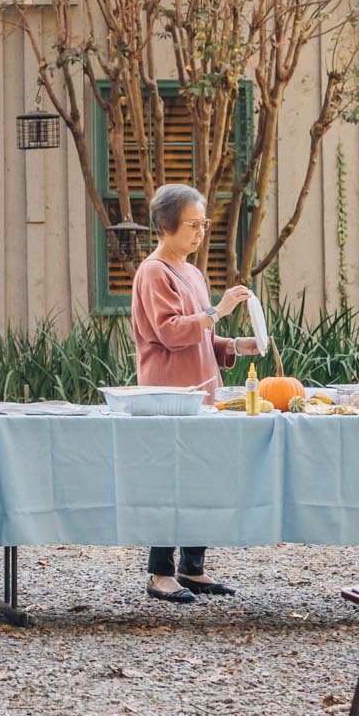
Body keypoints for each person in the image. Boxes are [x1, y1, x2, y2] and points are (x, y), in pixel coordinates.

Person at [131, 182, 258, 605]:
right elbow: (169, 332)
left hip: (203, 394)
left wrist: (239, 345)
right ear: (167, 227)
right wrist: (216, 311)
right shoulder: (154, 271)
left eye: (204, 224)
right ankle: (160, 573)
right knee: (171, 482)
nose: (201, 231)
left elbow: (206, 338)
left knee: (204, 479)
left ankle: (193, 566)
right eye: (193, 224)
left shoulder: (193, 272)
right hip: (169, 395)